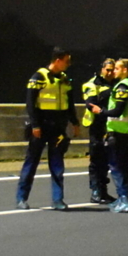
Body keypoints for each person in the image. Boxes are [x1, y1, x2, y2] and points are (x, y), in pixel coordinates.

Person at [15, 47, 79, 210]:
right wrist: (35, 125)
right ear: (58, 60)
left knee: (57, 164)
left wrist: (75, 122)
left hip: (58, 128)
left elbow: (69, 103)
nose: (68, 64)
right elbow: (30, 104)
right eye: (66, 61)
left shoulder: (65, 79)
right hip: (42, 126)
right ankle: (21, 198)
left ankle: (58, 200)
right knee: (31, 162)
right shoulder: (39, 77)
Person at [101, 58, 128, 213]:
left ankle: (124, 200)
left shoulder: (123, 86)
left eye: (117, 68)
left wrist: (101, 111)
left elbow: (118, 110)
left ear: (125, 70)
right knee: (124, 167)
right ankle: (123, 198)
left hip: (119, 132)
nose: (114, 71)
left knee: (117, 167)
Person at [82, 58, 116, 204]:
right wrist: (101, 110)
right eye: (107, 69)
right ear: (102, 69)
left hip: (111, 125)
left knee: (106, 160)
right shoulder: (92, 84)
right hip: (97, 125)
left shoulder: (117, 84)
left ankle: (103, 191)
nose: (109, 73)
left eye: (112, 70)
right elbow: (90, 103)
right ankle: (95, 191)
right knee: (96, 159)